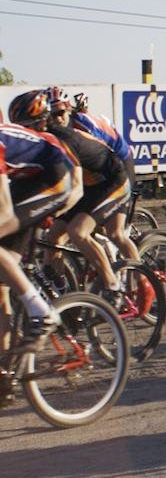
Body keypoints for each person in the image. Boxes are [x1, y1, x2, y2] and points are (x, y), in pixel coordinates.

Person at [8, 90, 132, 302]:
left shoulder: (61, 139)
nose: (23, 132)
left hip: (111, 180)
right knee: (53, 238)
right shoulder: (39, 142)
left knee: (78, 231)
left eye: (26, 126)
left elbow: (75, 188)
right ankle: (64, 295)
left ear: (40, 122)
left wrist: (54, 211)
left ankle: (114, 286)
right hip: (89, 186)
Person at [0, 120, 81, 356]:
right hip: (29, 182)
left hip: (55, 175)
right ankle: (6, 371)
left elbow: (5, 212)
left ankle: (41, 312)